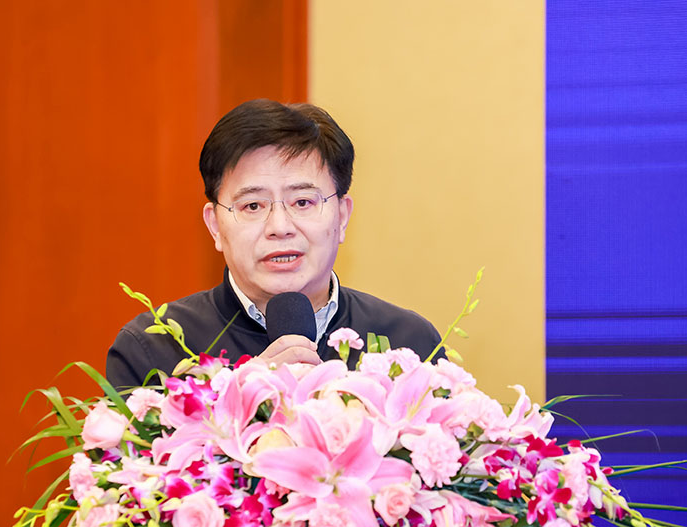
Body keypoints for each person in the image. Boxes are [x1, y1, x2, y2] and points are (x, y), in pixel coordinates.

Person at [106, 99, 442, 389]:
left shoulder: (408, 345)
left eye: (303, 202)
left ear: (341, 216)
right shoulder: (154, 350)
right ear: (215, 226)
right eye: (253, 205)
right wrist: (242, 398)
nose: (280, 228)